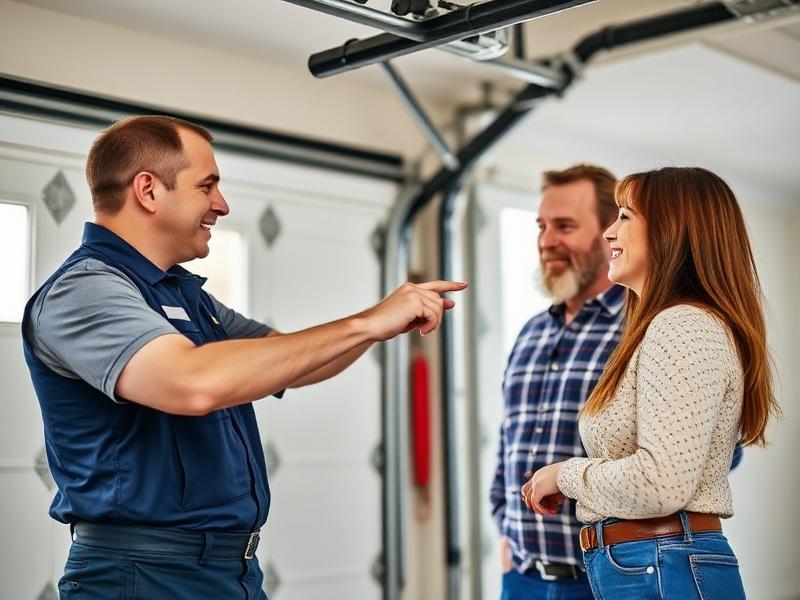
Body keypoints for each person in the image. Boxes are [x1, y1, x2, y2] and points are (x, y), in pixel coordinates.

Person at [21, 115, 467, 599]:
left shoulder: (182, 295)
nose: (222, 205)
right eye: (207, 186)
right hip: (143, 574)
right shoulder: (85, 290)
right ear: (148, 191)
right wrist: (364, 324)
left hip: (226, 571)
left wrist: (379, 327)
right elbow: (191, 384)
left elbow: (292, 361)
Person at [522, 166, 778, 599]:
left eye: (625, 216)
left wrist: (565, 475)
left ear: (671, 231)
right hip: (648, 565)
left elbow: (660, 482)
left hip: (660, 564)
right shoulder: (664, 327)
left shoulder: (683, 325)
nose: (609, 232)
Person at [490, 164, 623, 599]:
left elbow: (699, 457)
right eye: (542, 226)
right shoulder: (530, 332)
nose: (547, 241)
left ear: (611, 232)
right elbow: (508, 440)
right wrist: (504, 524)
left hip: (608, 581)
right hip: (522, 580)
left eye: (564, 226)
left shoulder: (643, 329)